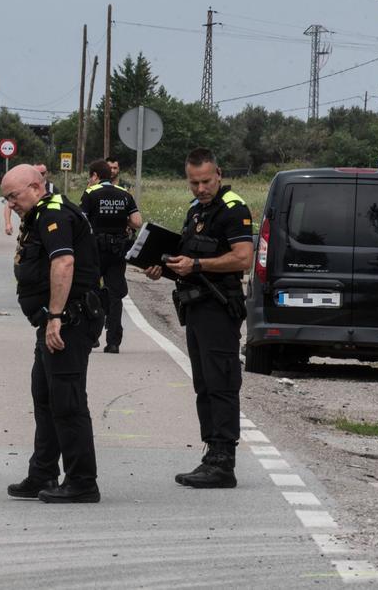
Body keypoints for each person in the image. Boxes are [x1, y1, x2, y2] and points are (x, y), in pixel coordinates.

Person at [144, 148, 253, 489]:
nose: (201, 188)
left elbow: (243, 259)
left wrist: (198, 265)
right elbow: (187, 258)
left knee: (221, 382)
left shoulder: (233, 209)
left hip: (219, 307)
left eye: (206, 181)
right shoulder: (196, 211)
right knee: (204, 384)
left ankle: (224, 462)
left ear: (218, 173)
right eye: (194, 183)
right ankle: (211, 455)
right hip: (195, 306)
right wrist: (163, 268)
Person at [2, 163, 104, 504]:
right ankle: (43, 471)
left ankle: (82, 481)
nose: (11, 204)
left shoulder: (53, 214)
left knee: (67, 401)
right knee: (45, 397)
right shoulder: (40, 214)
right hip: (53, 321)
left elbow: (63, 263)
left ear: (35, 186)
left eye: (13, 196)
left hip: (68, 322)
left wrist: (56, 316)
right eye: (6, 199)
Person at [80, 159, 142, 353]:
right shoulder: (124, 194)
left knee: (91, 291)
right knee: (115, 294)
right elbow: (137, 222)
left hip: (95, 251)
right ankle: (113, 341)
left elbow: (81, 222)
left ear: (95, 176)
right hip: (117, 251)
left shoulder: (90, 193)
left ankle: (92, 335)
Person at [3, 163, 57, 235]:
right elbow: (8, 206)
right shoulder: (24, 186)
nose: (40, 175)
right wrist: (8, 223)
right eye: (36, 172)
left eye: (42, 173)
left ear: (46, 173)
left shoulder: (52, 188)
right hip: (28, 224)